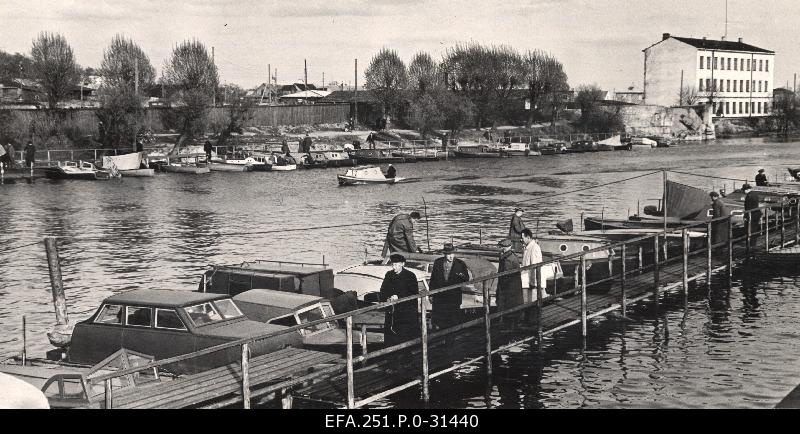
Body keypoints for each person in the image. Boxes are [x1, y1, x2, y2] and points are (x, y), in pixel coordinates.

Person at [379, 254, 421, 350]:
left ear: (402, 264)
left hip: (405, 312)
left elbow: (413, 293)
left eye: (396, 265)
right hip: (392, 311)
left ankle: (406, 355)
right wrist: (386, 298)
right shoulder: (389, 275)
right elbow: (383, 290)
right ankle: (391, 355)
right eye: (393, 265)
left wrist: (399, 297)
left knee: (404, 335)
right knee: (390, 336)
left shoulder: (410, 276)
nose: (394, 267)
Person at [429, 243, 470, 333]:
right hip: (440, 297)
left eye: (452, 254)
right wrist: (431, 294)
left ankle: (451, 341)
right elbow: (433, 280)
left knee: (453, 322)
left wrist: (461, 276)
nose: (451, 257)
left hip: (453, 297)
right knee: (440, 322)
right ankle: (440, 337)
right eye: (448, 254)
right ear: (444, 254)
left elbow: (466, 279)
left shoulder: (460, 264)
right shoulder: (438, 262)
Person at [496, 238, 523, 328]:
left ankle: (509, 326)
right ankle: (512, 324)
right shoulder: (512, 256)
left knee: (509, 306)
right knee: (512, 307)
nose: (502, 249)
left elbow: (505, 275)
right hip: (513, 287)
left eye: (503, 247)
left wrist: (501, 287)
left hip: (509, 288)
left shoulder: (508, 259)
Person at [520, 229, 549, 303]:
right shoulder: (527, 247)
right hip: (528, 280)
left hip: (532, 282)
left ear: (528, 237)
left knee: (533, 301)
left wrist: (533, 284)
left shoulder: (534, 248)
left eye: (522, 238)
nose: (521, 240)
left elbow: (535, 266)